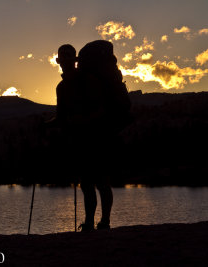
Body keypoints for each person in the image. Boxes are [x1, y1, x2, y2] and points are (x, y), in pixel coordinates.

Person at [54, 41, 131, 232]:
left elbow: (101, 110)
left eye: (68, 58)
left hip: (98, 137)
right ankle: (89, 223)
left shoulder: (88, 80)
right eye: (62, 59)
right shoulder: (61, 88)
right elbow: (61, 116)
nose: (65, 62)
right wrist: (46, 125)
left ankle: (104, 222)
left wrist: (80, 120)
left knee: (101, 182)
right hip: (80, 141)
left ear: (75, 60)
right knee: (86, 184)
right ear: (58, 61)